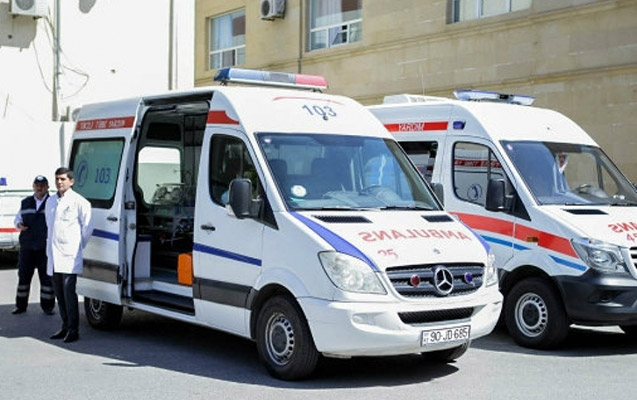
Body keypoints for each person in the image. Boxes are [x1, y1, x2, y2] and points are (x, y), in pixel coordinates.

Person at [45, 167, 93, 343]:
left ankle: (73, 329)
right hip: (53, 254)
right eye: (57, 179)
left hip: (69, 254)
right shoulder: (50, 201)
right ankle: (65, 325)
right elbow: (49, 226)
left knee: (68, 292)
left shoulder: (80, 202)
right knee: (59, 293)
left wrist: (77, 246)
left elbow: (87, 228)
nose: (59, 182)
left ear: (71, 181)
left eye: (63, 179)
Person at [12, 175, 55, 315]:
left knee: (46, 278)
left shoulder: (53, 202)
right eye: (37, 185)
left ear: (47, 187)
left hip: (44, 246)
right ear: (33, 187)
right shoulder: (26, 202)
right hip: (27, 246)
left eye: (42, 185)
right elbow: (17, 219)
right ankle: (20, 306)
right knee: (23, 276)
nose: (39, 188)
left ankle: (48, 307)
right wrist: (19, 224)